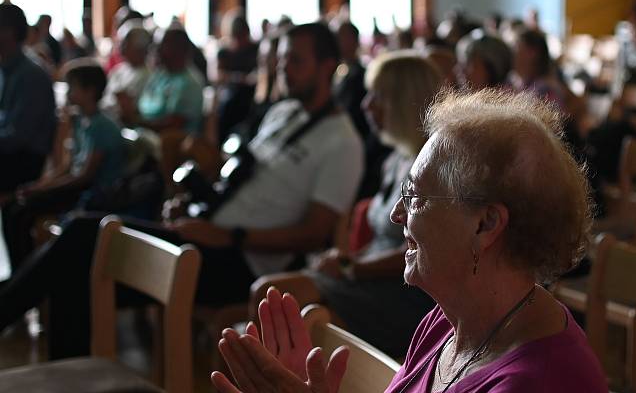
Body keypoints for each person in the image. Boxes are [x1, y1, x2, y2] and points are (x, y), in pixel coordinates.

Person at [212, 89, 610, 393]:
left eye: (416, 197)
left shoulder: (533, 386)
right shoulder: (448, 322)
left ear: (486, 224)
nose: (396, 216)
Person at [0, 22, 365, 360]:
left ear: (327, 66)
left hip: (242, 262)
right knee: (75, 269)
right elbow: (239, 179)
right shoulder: (283, 113)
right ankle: (70, 385)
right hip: (204, 236)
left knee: (82, 232)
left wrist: (228, 235)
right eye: (282, 59)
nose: (284, 69)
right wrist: (193, 203)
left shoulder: (342, 142)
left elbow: (314, 235)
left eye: (296, 61)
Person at [255, 51, 442, 357]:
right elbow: (381, 243)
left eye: (378, 97)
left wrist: (350, 266)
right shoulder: (395, 159)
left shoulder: (431, 168)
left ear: (405, 101)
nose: (366, 105)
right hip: (371, 279)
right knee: (272, 297)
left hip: (405, 294)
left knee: (278, 300)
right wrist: (345, 260)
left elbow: (425, 250)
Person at [1, 59, 127, 270]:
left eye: (73, 87)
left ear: (90, 91)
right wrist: (40, 185)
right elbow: (68, 166)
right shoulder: (80, 121)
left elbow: (85, 176)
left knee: (21, 211)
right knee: (13, 207)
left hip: (92, 194)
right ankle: (20, 269)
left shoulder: (103, 127)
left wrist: (43, 189)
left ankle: (28, 273)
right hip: (75, 187)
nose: (68, 93)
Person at [0, 2, 56, 195]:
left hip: (24, 160)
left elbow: (18, 137)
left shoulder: (32, 75)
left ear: (9, 33)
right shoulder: (6, 68)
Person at [121, 27, 204, 136]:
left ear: (179, 50)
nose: (157, 50)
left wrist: (135, 121)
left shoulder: (190, 84)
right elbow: (143, 107)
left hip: (170, 146)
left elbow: (172, 127)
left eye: (163, 45)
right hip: (142, 136)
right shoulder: (160, 75)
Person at [216, 8, 259, 143]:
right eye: (237, 37)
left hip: (250, 94)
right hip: (229, 94)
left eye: (243, 36)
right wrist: (238, 78)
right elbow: (217, 76)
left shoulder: (255, 48)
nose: (241, 41)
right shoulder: (224, 51)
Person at [100, 19, 152, 120]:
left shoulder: (149, 76)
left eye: (125, 44)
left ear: (140, 48)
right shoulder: (118, 70)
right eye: (120, 43)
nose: (120, 48)